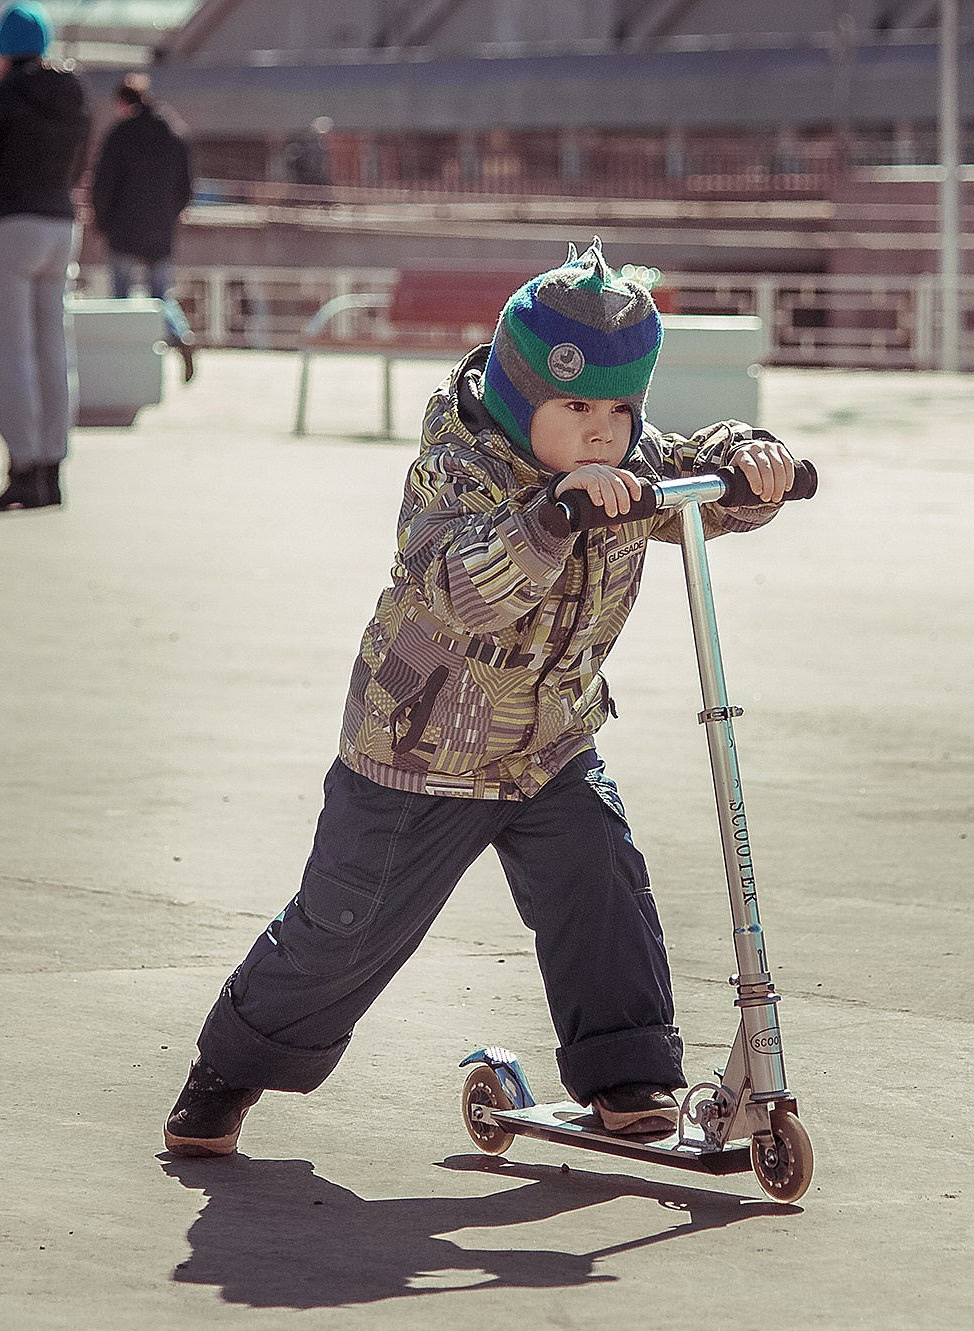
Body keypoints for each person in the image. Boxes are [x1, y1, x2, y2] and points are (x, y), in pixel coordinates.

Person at [164, 242, 800, 1158]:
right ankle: (229, 1068)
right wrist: (551, 517)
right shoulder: (458, 468)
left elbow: (685, 479)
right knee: (344, 932)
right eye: (574, 407)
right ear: (515, 397)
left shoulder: (623, 457)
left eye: (619, 410)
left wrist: (746, 465)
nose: (601, 433)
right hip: (421, 749)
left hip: (549, 742)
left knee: (602, 881)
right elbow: (460, 585)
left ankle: (628, 1077)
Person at [0, 2, 91, 511]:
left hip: (7, 227)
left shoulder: (3, 94)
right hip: (59, 225)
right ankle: (53, 468)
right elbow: (79, 164)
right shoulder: (73, 94)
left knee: (10, 352)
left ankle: (23, 467)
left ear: (3, 50)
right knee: (54, 348)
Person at [89, 73, 198, 384]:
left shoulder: (119, 134)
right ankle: (180, 336)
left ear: (123, 103)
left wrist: (103, 222)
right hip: (161, 232)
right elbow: (186, 187)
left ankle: (123, 370)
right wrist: (168, 216)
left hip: (122, 231)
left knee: (121, 301)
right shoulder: (174, 132)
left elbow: (103, 185)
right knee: (161, 297)